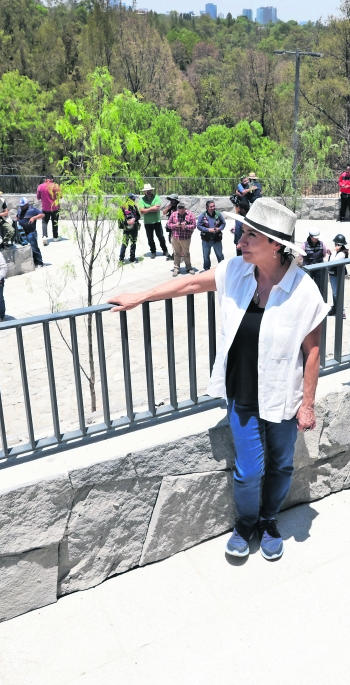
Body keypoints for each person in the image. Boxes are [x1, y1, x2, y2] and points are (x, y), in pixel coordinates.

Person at [109, 197, 329, 561]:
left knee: (282, 464)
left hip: (281, 396)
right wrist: (141, 296)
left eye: (248, 235)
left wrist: (307, 405)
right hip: (241, 392)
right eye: (241, 233)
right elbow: (188, 285)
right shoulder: (236, 272)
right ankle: (245, 524)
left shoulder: (304, 290)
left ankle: (269, 521)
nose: (239, 240)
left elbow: (314, 352)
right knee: (248, 472)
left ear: (275, 245)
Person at [166, 197, 197, 276]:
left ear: (184, 209)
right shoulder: (174, 214)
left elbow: (194, 225)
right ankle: (176, 268)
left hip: (185, 238)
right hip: (175, 237)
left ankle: (189, 267)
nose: (181, 213)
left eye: (182, 211)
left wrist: (186, 226)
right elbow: (168, 224)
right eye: (179, 211)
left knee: (186, 253)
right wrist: (175, 225)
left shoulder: (190, 214)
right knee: (176, 253)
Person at [197, 200, 226, 271]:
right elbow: (198, 226)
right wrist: (208, 230)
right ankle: (207, 269)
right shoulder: (203, 215)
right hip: (206, 239)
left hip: (217, 238)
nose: (213, 208)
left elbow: (223, 223)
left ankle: (223, 268)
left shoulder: (218, 214)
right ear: (207, 207)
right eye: (211, 206)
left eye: (214, 206)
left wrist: (219, 229)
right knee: (206, 255)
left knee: (219, 254)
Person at [139, 184, 167, 258]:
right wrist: (151, 208)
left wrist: (146, 209)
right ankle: (153, 251)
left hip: (156, 221)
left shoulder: (156, 197)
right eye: (147, 190)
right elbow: (141, 211)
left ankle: (165, 250)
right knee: (150, 238)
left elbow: (156, 209)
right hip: (147, 222)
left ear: (152, 190)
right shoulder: (142, 200)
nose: (149, 192)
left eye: (150, 190)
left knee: (161, 237)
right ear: (144, 191)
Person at [17, 197, 45, 267]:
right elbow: (17, 217)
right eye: (21, 206)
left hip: (31, 232)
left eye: (23, 205)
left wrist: (34, 218)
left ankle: (39, 262)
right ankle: (30, 262)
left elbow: (42, 215)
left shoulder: (32, 210)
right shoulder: (20, 210)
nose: (22, 207)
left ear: (27, 204)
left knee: (34, 247)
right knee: (25, 248)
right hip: (22, 233)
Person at [37, 176, 62, 244]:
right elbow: (61, 196)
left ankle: (44, 236)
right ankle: (55, 237)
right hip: (55, 207)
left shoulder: (40, 186)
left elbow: (38, 197)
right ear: (52, 179)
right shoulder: (56, 186)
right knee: (55, 222)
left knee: (44, 222)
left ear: (45, 179)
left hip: (45, 208)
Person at [328, 234, 349, 316]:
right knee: (335, 292)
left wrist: (333, 252)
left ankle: (340, 310)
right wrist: (332, 253)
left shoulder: (342, 253)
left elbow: (332, 263)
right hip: (334, 274)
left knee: (337, 293)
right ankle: (336, 307)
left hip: (336, 275)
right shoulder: (340, 252)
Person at [119, 194, 142, 265]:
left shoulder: (134, 207)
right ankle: (121, 259)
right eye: (133, 199)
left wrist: (135, 219)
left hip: (134, 228)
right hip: (127, 229)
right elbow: (120, 220)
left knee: (133, 243)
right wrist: (128, 222)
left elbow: (138, 216)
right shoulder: (123, 208)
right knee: (124, 244)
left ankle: (132, 257)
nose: (134, 201)